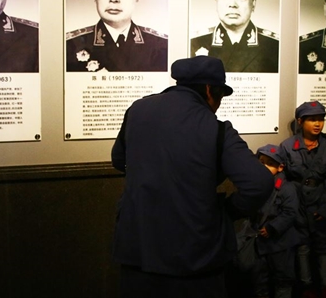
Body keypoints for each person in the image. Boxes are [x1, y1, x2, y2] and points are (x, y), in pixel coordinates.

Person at [111, 56, 274, 298]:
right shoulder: (217, 129)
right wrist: (228, 211)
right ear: (210, 90)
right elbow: (259, 183)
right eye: (220, 97)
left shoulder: (138, 109)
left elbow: (118, 160)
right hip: (195, 261)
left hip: (139, 252)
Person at [279, 101, 326, 298]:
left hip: (319, 203)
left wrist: (325, 209)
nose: (317, 124)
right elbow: (283, 178)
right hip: (297, 205)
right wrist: (289, 207)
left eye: (320, 119)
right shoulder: (288, 147)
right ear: (300, 121)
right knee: (302, 247)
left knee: (323, 248)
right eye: (312, 119)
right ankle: (307, 287)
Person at [238, 144, 300, 298]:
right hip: (259, 242)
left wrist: (273, 227)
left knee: (283, 280)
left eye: (270, 164)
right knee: (259, 280)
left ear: (280, 168)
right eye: (262, 162)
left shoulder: (286, 188)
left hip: (279, 243)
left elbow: (290, 212)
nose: (265, 166)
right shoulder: (254, 185)